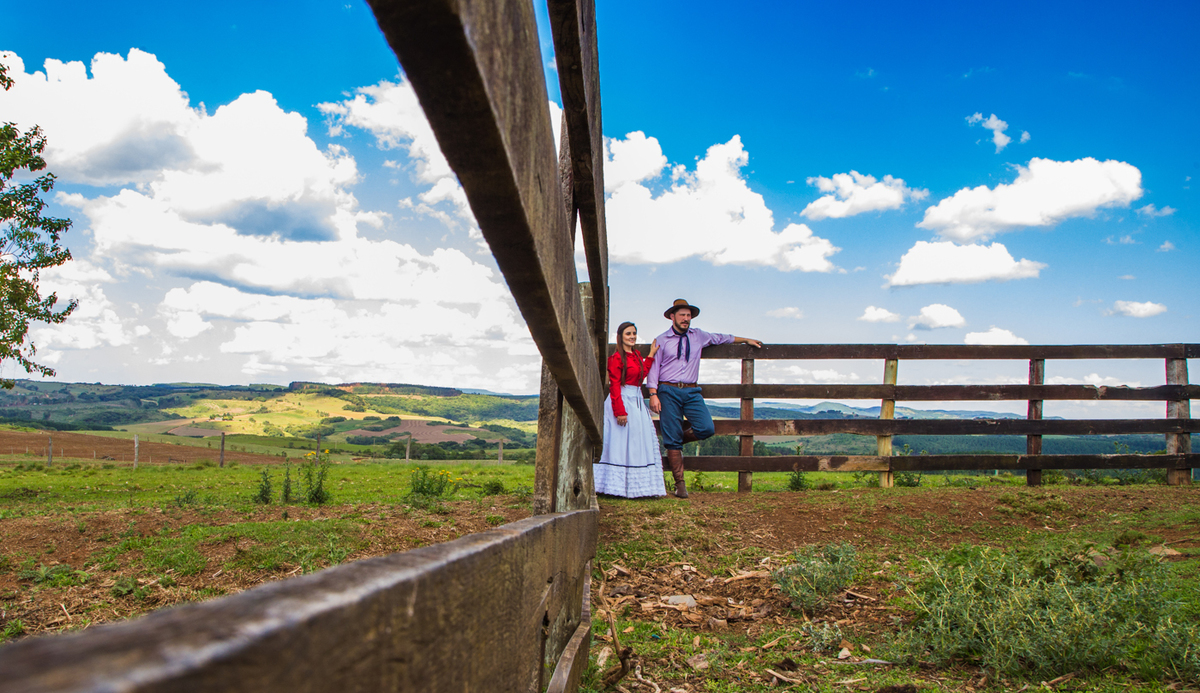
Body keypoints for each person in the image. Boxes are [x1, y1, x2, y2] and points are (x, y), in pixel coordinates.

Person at [648, 299, 762, 498]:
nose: (686, 319)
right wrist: (653, 394)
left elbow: (722, 338)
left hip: (692, 391)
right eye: (682, 315)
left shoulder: (699, 336)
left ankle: (674, 441)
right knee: (673, 437)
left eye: (688, 315)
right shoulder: (661, 339)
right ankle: (680, 484)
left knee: (706, 428)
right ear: (672, 317)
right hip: (667, 389)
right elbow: (654, 369)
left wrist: (745, 340)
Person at [594, 321, 666, 498]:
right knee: (619, 442)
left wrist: (650, 356)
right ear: (620, 337)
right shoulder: (616, 358)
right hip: (623, 400)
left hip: (637, 402)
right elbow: (615, 386)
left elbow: (641, 374)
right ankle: (614, 486)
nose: (632, 336)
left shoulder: (636, 356)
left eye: (634, 333)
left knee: (636, 441)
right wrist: (619, 411)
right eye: (628, 334)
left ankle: (637, 486)